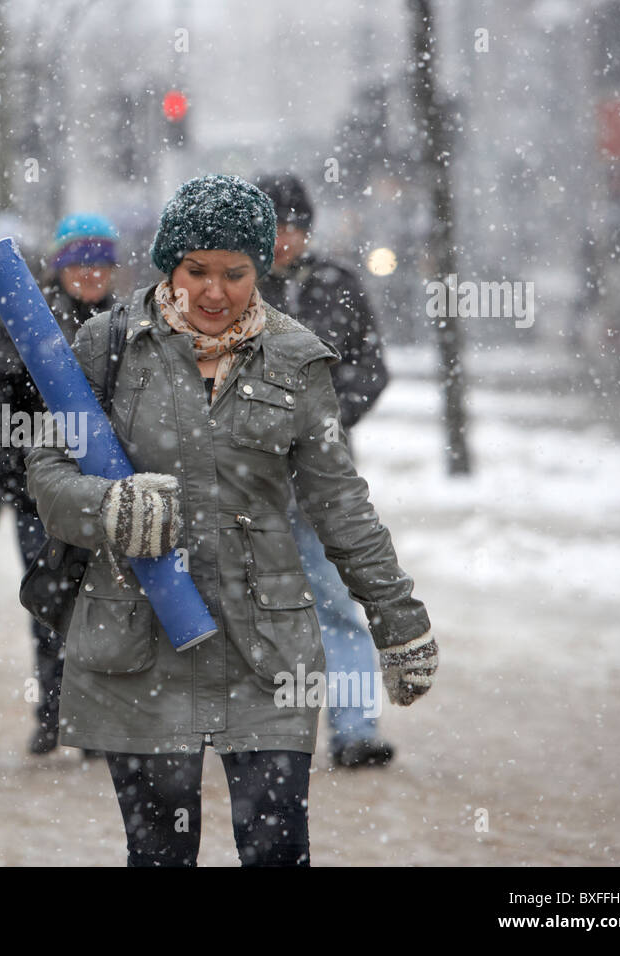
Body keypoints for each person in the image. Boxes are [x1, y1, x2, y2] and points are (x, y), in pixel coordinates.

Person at [25, 174, 438, 866]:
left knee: (277, 846)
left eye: (236, 273)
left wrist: (399, 618)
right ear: (168, 266)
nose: (215, 292)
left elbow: (341, 503)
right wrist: (109, 508)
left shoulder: (296, 359)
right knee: (160, 853)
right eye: (197, 271)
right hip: (144, 636)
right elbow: (48, 474)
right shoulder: (109, 345)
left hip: (267, 647)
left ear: (263, 267)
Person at [0, 212, 119, 755]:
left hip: (108, 491)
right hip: (41, 493)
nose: (91, 271)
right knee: (50, 597)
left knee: (104, 603)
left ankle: (95, 715)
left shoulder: (129, 324)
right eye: (80, 260)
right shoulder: (27, 320)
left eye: (102, 260)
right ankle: (54, 711)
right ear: (59, 267)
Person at [254, 171, 396, 768]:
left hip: (324, 477)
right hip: (250, 479)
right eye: (275, 227)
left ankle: (355, 727)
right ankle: (261, 732)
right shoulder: (231, 288)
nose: (286, 238)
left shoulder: (339, 285)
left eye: (294, 226)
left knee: (338, 603)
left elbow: (371, 368)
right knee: (250, 606)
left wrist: (325, 420)